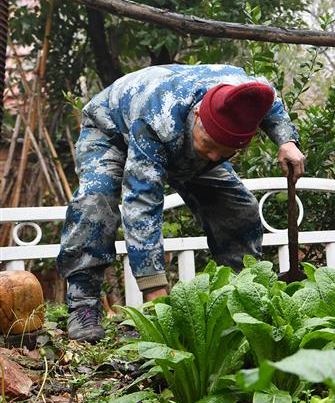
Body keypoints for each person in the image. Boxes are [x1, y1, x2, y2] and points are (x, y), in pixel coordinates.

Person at [58, 64, 306, 342]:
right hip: (111, 130)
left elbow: (269, 99)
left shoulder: (244, 93)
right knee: (95, 201)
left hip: (183, 143)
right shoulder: (156, 120)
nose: (213, 157)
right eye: (210, 145)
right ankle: (83, 304)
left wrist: (287, 140)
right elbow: (141, 203)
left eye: (225, 152)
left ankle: (242, 294)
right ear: (199, 114)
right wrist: (154, 288)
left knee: (239, 210)